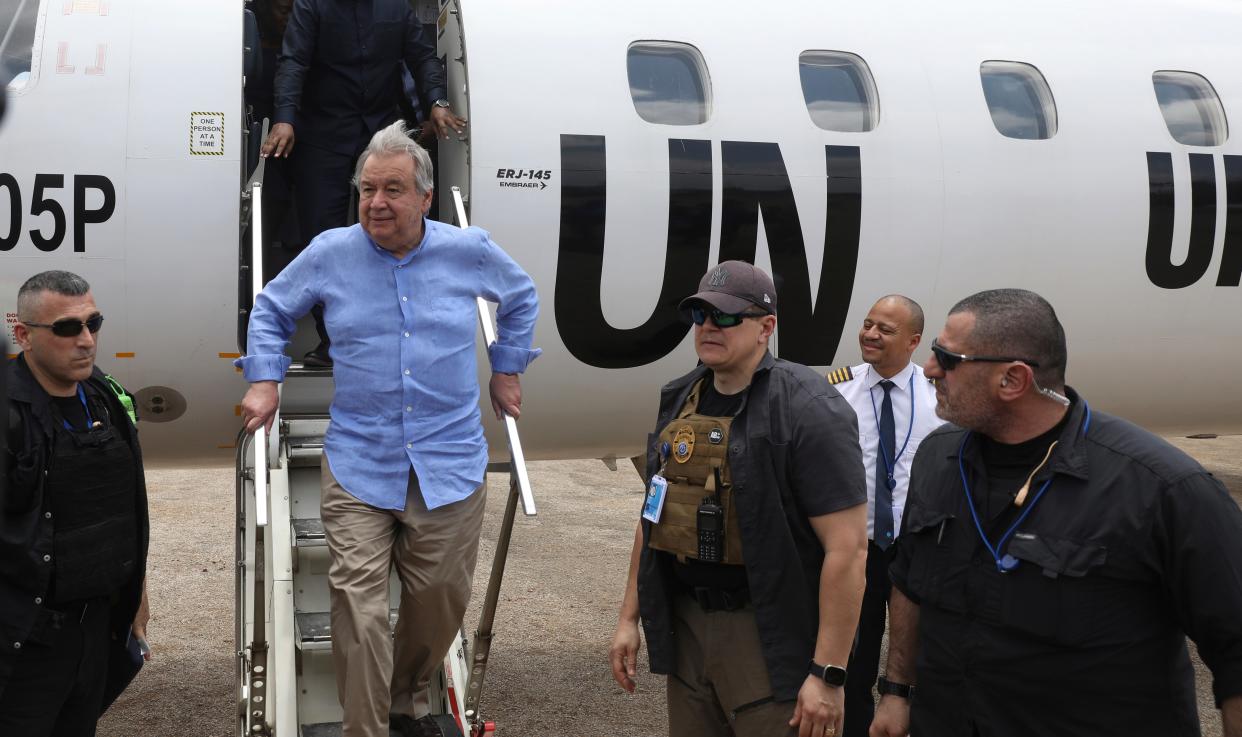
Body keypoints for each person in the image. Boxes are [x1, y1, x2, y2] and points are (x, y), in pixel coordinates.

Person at [238, 120, 539, 737]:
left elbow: (521, 295)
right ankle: (367, 728)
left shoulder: (468, 249)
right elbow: (271, 308)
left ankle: (404, 696)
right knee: (360, 605)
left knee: (439, 601)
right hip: (359, 462)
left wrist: (507, 368)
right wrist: (265, 378)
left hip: (448, 461)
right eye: (368, 188)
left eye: (393, 189)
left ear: (426, 197)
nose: (376, 202)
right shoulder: (330, 252)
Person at [870, 288, 1242, 737]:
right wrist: (896, 691)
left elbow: (1235, 650)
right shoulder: (936, 460)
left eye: (947, 359)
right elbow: (910, 582)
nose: (929, 370)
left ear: (1012, 380)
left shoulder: (1162, 490)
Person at [609, 260, 868, 737]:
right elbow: (653, 513)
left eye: (727, 317)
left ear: (766, 327)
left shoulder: (809, 407)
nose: (709, 326)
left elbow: (848, 549)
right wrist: (629, 618)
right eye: (700, 314)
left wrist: (828, 674)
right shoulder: (681, 398)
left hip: (767, 634)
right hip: (688, 627)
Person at [260, 0, 468, 366]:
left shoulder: (396, 8)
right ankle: (332, 340)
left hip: (380, 134)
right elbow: (293, 62)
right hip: (322, 135)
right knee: (319, 238)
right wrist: (285, 119)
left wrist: (436, 101)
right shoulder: (312, 7)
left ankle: (393, 334)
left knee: (395, 230)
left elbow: (422, 57)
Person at [0, 270, 150, 736]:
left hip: (94, 630)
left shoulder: (103, 395)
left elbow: (121, 502)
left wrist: (137, 589)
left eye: (94, 323)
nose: (86, 340)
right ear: (23, 334)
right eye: (67, 328)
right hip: (26, 641)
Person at [825, 295, 941, 737]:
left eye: (885, 330)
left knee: (923, 656)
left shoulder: (936, 395)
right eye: (868, 324)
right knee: (853, 658)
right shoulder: (838, 390)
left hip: (917, 547)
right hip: (861, 547)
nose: (870, 335)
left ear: (913, 341)